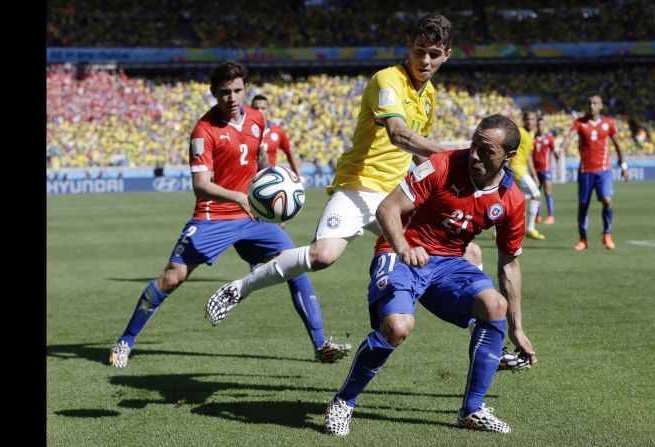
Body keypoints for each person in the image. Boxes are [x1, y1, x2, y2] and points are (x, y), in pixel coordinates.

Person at [204, 14, 485, 326]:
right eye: (419, 50)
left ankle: (486, 326)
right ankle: (239, 288)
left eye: (433, 54)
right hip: (358, 185)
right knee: (322, 255)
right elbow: (399, 134)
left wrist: (449, 185)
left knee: (469, 252)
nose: (425, 60)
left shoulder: (429, 96)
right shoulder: (387, 80)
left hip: (395, 197)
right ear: (409, 47)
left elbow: (418, 154)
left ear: (447, 55)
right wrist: (459, 157)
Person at [108, 61, 350, 369]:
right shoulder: (203, 130)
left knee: (296, 265)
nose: (232, 98)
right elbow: (200, 185)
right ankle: (126, 340)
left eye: (237, 91)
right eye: (224, 92)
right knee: (172, 278)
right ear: (213, 93)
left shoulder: (257, 120)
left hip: (252, 217)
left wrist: (274, 181)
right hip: (214, 215)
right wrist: (238, 195)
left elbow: (258, 160)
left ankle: (320, 344)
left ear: (246, 90)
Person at [323, 114, 537, 436]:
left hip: (449, 263)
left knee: (495, 306)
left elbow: (509, 264)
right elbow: (387, 209)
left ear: (508, 156)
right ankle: (343, 401)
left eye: (486, 151)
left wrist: (517, 329)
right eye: (474, 145)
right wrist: (403, 246)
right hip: (401, 253)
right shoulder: (441, 165)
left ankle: (472, 411)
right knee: (397, 326)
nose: (475, 155)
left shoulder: (512, 200)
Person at [559, 95, 629, 250]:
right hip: (585, 171)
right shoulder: (579, 123)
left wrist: (623, 165)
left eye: (595, 103)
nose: (592, 106)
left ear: (601, 106)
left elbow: (618, 145)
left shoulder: (608, 123)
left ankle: (607, 234)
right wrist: (562, 148)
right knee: (583, 205)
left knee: (607, 200)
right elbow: (569, 137)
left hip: (604, 171)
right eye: (589, 103)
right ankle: (583, 240)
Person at [507, 110, 545, 240]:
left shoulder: (531, 134)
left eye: (532, 119)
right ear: (524, 120)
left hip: (522, 169)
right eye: (527, 119)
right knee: (536, 195)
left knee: (517, 200)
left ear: (535, 121)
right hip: (517, 169)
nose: (530, 121)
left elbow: (528, 156)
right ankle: (530, 228)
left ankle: (499, 229)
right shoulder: (520, 132)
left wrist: (534, 175)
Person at [250, 94, 302, 177]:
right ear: (250, 109)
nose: (259, 111)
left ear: (268, 110)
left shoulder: (278, 131)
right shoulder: (245, 129)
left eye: (263, 108)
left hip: (271, 179)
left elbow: (289, 153)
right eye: (256, 108)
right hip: (250, 178)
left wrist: (299, 175)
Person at [532, 116, 559, 224]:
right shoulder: (533, 138)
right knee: (536, 193)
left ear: (545, 126)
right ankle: (537, 216)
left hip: (546, 169)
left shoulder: (549, 139)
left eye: (542, 125)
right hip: (535, 170)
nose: (540, 127)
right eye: (538, 125)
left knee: (548, 193)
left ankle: (551, 216)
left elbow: (556, 153)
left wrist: (558, 168)